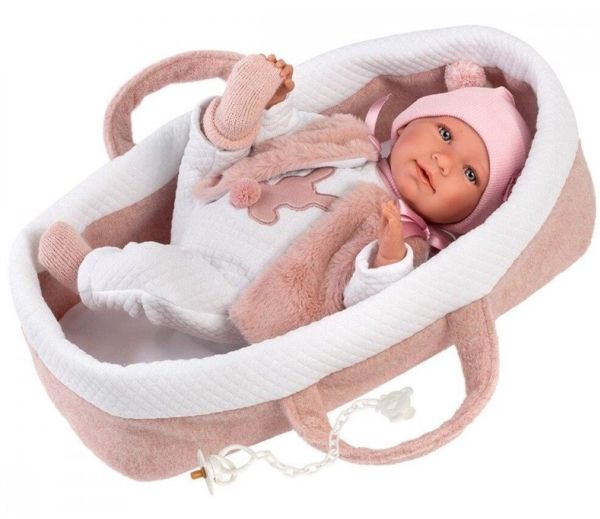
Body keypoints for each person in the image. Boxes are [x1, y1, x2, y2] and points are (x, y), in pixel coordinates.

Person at [37, 54, 532, 345]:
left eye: (470, 173)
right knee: (220, 150)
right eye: (444, 132)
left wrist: (386, 259)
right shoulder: (351, 138)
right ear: (405, 125)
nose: (444, 160)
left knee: (157, 278)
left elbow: (361, 309)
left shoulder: (408, 239)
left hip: (237, 287)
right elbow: (293, 135)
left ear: (470, 216)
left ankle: (87, 270)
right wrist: (276, 109)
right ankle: (236, 117)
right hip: (214, 196)